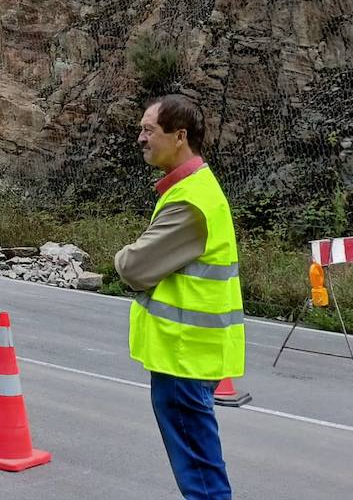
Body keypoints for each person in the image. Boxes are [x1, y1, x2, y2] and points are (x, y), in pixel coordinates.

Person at [115, 95, 242, 499]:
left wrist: (123, 258)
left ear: (180, 136)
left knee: (200, 472)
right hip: (188, 354)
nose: (141, 138)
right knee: (200, 461)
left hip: (183, 355)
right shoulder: (192, 189)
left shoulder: (190, 201)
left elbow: (133, 266)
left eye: (149, 130)